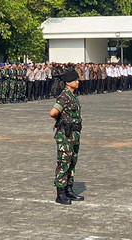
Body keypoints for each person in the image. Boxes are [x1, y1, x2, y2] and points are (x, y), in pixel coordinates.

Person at [49, 70, 84, 205]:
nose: (77, 82)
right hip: (65, 135)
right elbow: (53, 112)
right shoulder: (64, 96)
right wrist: (62, 121)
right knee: (64, 162)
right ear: (68, 83)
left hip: (74, 134)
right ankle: (61, 193)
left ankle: (69, 189)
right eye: (75, 80)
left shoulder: (73, 96)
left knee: (72, 162)